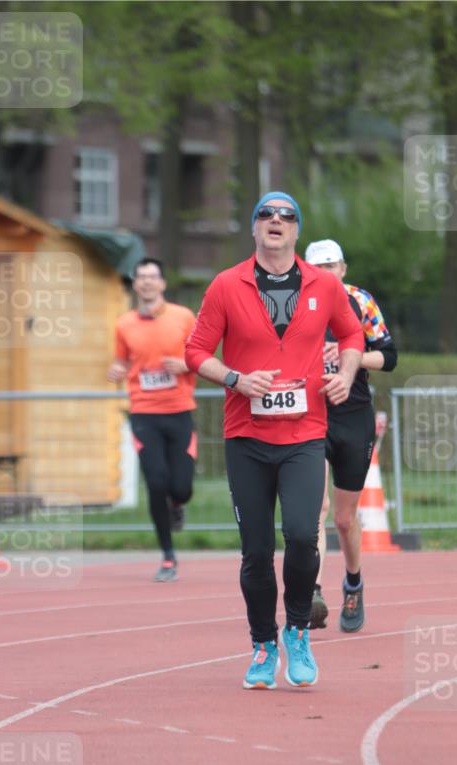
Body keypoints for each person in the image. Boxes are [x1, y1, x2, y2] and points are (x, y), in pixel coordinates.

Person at [185, 193, 364, 689]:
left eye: (286, 216)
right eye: (266, 214)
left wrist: (345, 375)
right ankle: (263, 644)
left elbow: (353, 337)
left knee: (305, 536)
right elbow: (196, 352)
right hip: (247, 437)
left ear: (297, 230)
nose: (276, 222)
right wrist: (236, 378)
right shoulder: (226, 285)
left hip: (306, 435)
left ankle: (298, 632)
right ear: (254, 228)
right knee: (256, 550)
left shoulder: (324, 284)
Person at [304, 239, 398, 633]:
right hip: (309, 412)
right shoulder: (293, 302)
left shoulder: (360, 301)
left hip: (352, 415)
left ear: (343, 268)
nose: (326, 273)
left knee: (344, 519)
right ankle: (310, 592)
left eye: (332, 266)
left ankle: (354, 582)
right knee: (315, 509)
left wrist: (350, 357)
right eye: (318, 267)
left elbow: (389, 357)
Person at [107, 257, 197, 582]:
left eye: (152, 276)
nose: (146, 282)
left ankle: (178, 505)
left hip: (180, 409)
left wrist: (186, 365)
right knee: (156, 483)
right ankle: (168, 555)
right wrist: (114, 370)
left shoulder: (183, 317)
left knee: (182, 488)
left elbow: (202, 356)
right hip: (144, 412)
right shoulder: (124, 324)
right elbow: (119, 363)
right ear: (135, 283)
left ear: (162, 283)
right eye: (140, 277)